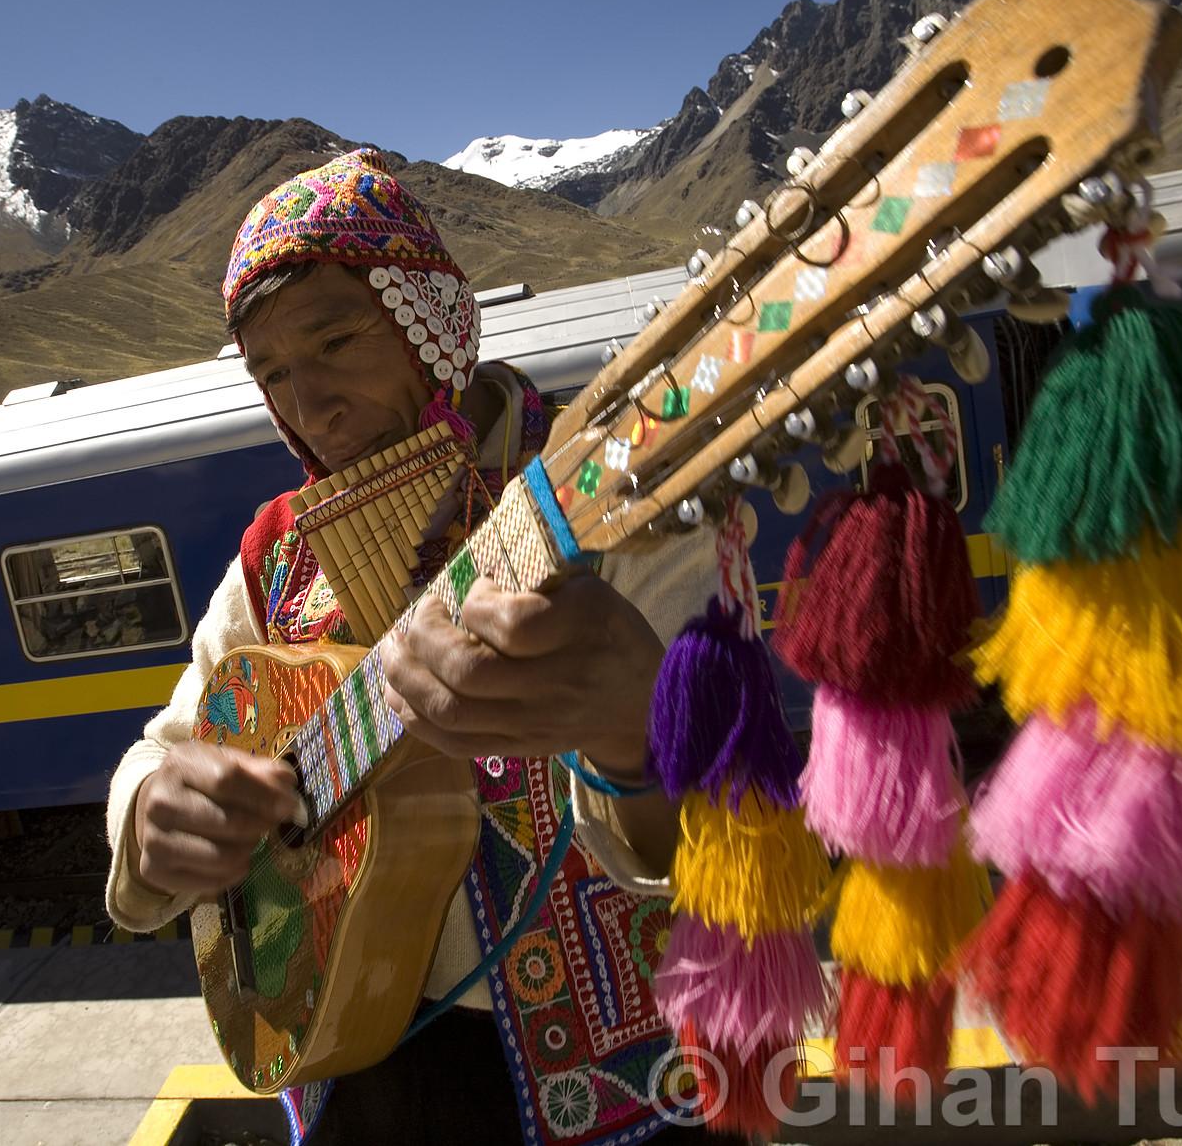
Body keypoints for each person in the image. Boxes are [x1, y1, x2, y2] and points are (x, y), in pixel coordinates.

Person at [104, 149, 747, 1145]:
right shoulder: (276, 556)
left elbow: (726, 837)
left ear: (430, 323)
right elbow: (170, 742)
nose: (309, 408)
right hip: (355, 1067)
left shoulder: (617, 504)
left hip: (612, 1081)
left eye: (335, 341)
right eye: (272, 373)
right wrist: (152, 812)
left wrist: (640, 735)